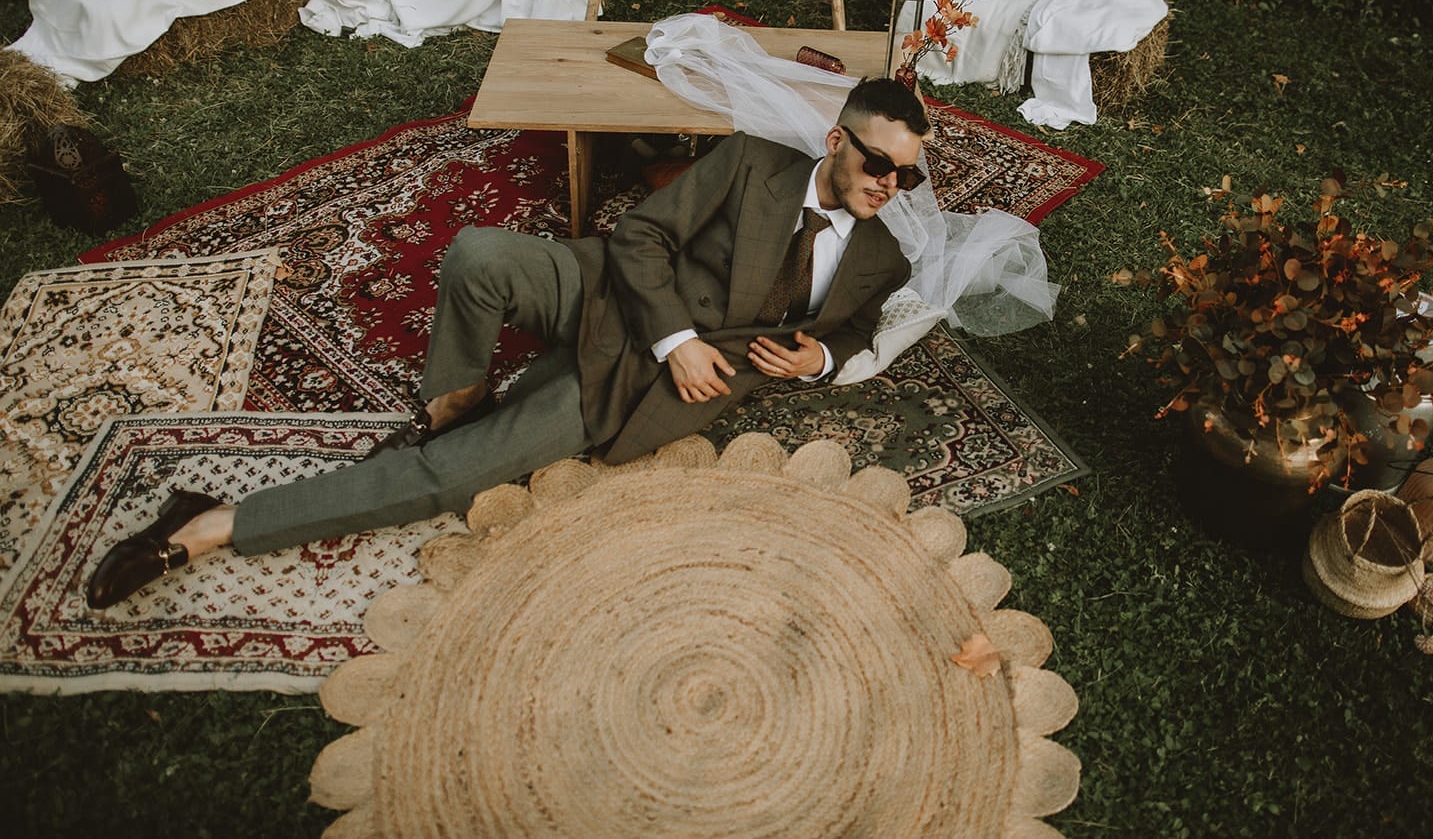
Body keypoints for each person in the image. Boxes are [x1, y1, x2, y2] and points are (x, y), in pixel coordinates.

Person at [86, 77, 931, 608]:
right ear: (837, 141)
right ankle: (455, 399)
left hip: (638, 386)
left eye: (907, 175)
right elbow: (641, 237)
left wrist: (819, 360)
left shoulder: (882, 254)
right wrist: (675, 332)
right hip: (619, 293)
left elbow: (853, 334)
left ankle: (211, 523)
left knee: (451, 473)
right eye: (879, 163)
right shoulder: (752, 162)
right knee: (478, 255)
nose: (890, 185)